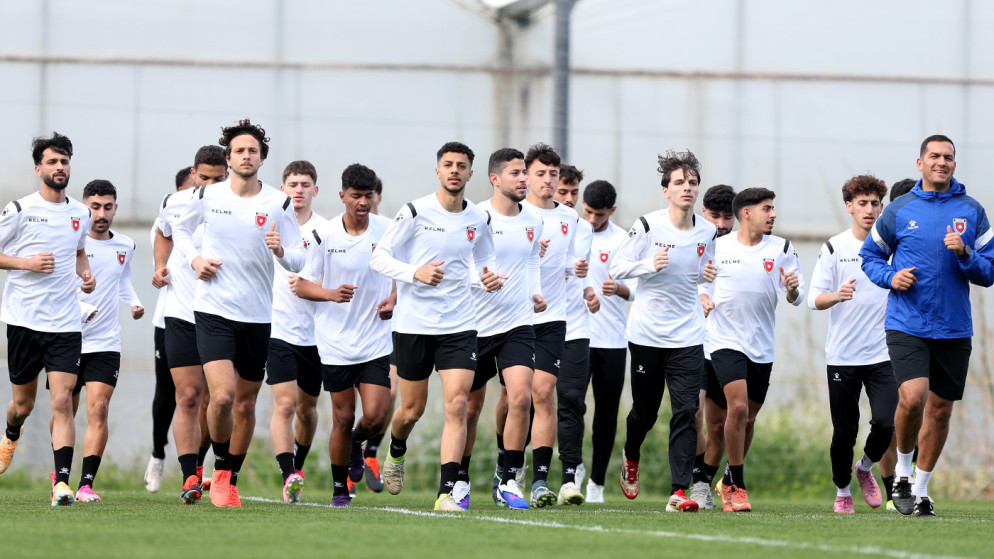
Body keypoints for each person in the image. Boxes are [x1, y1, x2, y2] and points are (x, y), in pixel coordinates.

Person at [170, 119, 305, 508]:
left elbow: (298, 258)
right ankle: (213, 467)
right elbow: (180, 231)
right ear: (228, 159)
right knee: (223, 396)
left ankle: (228, 475)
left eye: (253, 151)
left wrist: (281, 251)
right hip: (213, 310)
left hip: (258, 316)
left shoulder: (279, 202)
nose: (247, 156)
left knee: (245, 404)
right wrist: (195, 260)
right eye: (240, 150)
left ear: (262, 158)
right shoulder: (206, 195)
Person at [860, 134, 994, 517]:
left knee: (940, 411)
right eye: (934, 156)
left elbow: (988, 272)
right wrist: (891, 277)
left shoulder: (972, 211)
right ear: (920, 163)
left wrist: (965, 253)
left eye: (948, 157)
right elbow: (870, 256)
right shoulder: (899, 209)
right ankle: (902, 472)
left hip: (954, 327)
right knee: (913, 397)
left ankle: (920, 490)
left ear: (954, 164)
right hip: (907, 323)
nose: (941, 162)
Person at [369, 141, 501, 511]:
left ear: (470, 173)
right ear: (438, 171)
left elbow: (484, 261)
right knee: (412, 410)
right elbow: (379, 258)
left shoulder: (479, 218)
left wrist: (487, 277)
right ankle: (396, 449)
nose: (455, 170)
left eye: (461, 165)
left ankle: (447, 492)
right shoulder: (414, 211)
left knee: (457, 405)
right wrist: (416, 272)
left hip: (460, 326)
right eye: (448, 164)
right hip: (414, 326)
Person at [611, 150, 717, 513]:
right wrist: (648, 265)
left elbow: (702, 272)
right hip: (647, 336)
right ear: (665, 190)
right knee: (645, 413)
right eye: (679, 182)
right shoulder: (647, 226)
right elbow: (617, 269)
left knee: (687, 411)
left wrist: (706, 280)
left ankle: (678, 491)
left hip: (688, 335)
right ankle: (631, 454)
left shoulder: (707, 230)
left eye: (692, 182)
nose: (687, 188)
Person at [291, 163, 394, 507]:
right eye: (356, 196)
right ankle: (339, 490)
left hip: (375, 340)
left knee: (376, 416)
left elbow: (402, 273)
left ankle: (356, 442)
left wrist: (393, 299)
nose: (363, 202)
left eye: (368, 196)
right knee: (343, 415)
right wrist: (330, 294)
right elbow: (301, 285)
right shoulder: (324, 235)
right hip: (335, 342)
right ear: (342, 196)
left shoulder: (388, 230)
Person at [0, 132, 94, 506]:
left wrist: (86, 275)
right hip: (24, 321)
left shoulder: (81, 213)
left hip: (66, 324)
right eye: (52, 161)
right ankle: (11, 435)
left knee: (63, 402)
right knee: (22, 406)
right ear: (38, 169)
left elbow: (80, 252)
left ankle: (62, 483)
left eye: (64, 161)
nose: (59, 167)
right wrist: (26, 263)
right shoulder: (19, 210)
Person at [701, 187, 804, 512]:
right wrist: (703, 298)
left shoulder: (782, 248)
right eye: (766, 208)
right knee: (738, 407)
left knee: (748, 420)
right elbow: (699, 282)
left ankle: (726, 478)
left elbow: (797, 296)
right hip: (724, 341)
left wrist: (792, 290)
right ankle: (737, 486)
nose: (773, 214)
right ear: (746, 213)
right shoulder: (717, 247)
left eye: (772, 208)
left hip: (761, 345)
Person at [809, 174, 896, 514]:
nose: (869, 209)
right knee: (845, 431)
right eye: (862, 203)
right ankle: (843, 490)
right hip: (843, 356)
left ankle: (865, 467)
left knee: (886, 422)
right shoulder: (834, 247)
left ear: (881, 207)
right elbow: (813, 299)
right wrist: (837, 295)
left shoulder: (893, 248)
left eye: (875, 203)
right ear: (849, 206)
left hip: (882, 354)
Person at [462, 148, 543, 510]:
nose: (523, 179)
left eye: (524, 172)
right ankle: (458, 478)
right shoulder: (475, 216)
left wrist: (535, 292)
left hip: (517, 324)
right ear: (495, 179)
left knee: (521, 398)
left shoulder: (533, 221)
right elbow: (458, 264)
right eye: (515, 173)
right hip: (474, 326)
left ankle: (509, 479)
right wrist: (480, 281)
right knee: (468, 409)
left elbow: (532, 261)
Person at [145, 148, 228, 495]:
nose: (209, 185)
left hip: (222, 315)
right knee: (187, 395)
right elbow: (164, 232)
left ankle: (207, 464)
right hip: (179, 313)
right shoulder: (174, 202)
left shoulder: (238, 206)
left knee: (218, 399)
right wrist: (160, 266)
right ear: (193, 174)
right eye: (203, 178)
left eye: (217, 179)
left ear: (228, 175)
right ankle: (186, 475)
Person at [504, 142, 578, 508]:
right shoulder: (512, 215)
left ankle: (540, 481)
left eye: (553, 174)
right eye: (540, 173)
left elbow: (571, 264)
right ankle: (507, 466)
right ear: (527, 177)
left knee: (544, 393)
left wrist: (577, 271)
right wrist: (531, 254)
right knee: (511, 399)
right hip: (512, 319)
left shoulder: (570, 218)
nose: (548, 180)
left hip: (552, 318)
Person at [65, 179, 144, 502]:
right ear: (85, 208)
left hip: (106, 342)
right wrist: (82, 309)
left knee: (99, 408)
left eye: (107, 207)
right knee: (64, 411)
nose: (101, 214)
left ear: (115, 209)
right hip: (68, 339)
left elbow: (122, 281)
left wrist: (134, 302)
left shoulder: (125, 245)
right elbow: (56, 286)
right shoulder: (70, 242)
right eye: (94, 207)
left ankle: (86, 484)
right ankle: (60, 477)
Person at [265, 160, 326, 503]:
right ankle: (288, 474)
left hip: (316, 335)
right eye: (293, 184)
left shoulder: (326, 230)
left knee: (307, 410)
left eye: (305, 184)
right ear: (283, 189)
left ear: (315, 190)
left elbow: (331, 277)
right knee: (285, 405)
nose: (299, 190)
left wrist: (315, 288)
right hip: (278, 330)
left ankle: (297, 468)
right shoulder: (269, 224)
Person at [580, 179, 633, 503]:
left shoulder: (623, 240)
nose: (591, 219)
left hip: (612, 340)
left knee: (606, 414)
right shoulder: (570, 233)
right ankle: (571, 470)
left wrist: (621, 290)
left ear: (611, 211)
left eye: (598, 214)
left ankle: (596, 483)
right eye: (587, 211)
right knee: (569, 407)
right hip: (574, 336)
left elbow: (640, 288)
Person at [552, 163, 599, 505]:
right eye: (562, 192)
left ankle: (569, 478)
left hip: (575, 326)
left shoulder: (584, 229)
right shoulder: (530, 221)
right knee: (521, 401)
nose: (569, 198)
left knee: (571, 401)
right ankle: (511, 469)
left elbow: (582, 272)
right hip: (533, 324)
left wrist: (589, 291)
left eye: (573, 193)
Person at [692, 184, 736, 509]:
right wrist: (701, 296)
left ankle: (705, 482)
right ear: (703, 212)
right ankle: (694, 480)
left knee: (718, 424)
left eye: (727, 217)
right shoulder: (690, 239)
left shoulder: (741, 248)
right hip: (693, 342)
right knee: (692, 413)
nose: (721, 224)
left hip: (727, 346)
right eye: (714, 216)